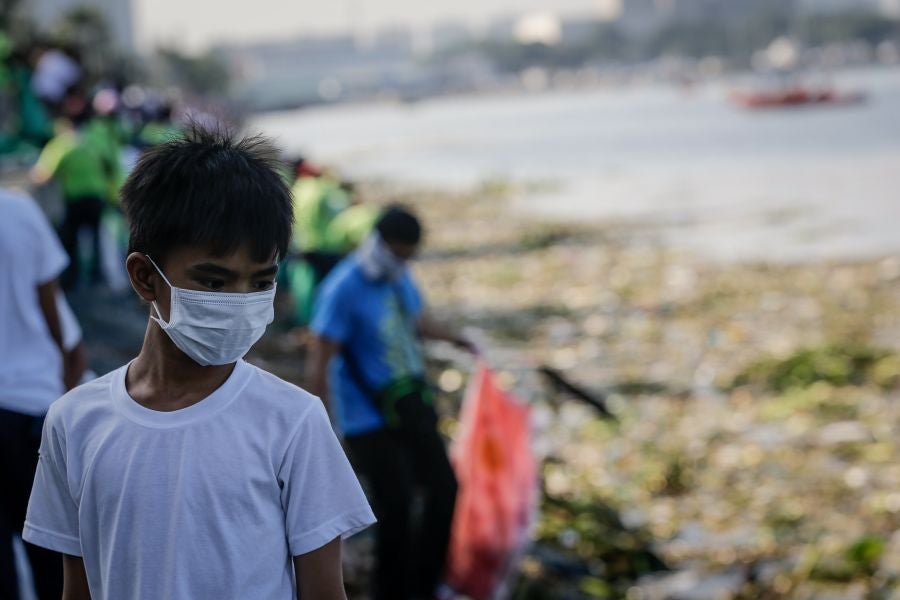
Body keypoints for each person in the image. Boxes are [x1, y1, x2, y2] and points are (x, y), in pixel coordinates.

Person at [23, 125, 376, 600]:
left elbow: (324, 591)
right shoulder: (74, 422)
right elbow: (78, 587)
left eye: (260, 282)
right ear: (145, 277)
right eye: (213, 283)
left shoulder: (293, 422)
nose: (240, 301)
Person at [308, 206, 475, 600]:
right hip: (365, 417)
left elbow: (419, 323)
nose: (402, 261)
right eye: (398, 253)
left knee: (444, 487)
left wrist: (459, 340)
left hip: (409, 405)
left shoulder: (399, 277)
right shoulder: (343, 288)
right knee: (395, 504)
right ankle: (392, 590)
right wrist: (324, 429)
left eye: (408, 256)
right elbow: (320, 361)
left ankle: (426, 584)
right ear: (380, 243)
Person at [0, 188, 86, 600]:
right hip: (31, 407)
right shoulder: (16, 210)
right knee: (54, 552)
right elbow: (58, 319)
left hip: (25, 407)